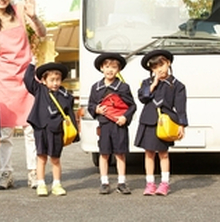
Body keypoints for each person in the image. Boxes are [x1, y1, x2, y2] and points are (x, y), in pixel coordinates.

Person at [0, 0, 47, 189]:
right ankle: (6, 174)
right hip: (4, 79)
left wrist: (34, 17)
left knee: (30, 129)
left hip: (27, 77)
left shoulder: (20, 10)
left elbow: (42, 34)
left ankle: (34, 173)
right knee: (5, 131)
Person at [134, 50, 187, 196]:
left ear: (168, 63)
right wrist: (154, 84)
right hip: (148, 120)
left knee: (163, 154)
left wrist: (181, 125)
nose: (159, 69)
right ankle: (150, 184)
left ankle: (164, 184)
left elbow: (181, 107)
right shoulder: (147, 83)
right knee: (149, 153)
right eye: (155, 67)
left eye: (161, 65)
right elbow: (143, 98)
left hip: (166, 123)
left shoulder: (177, 85)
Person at [24, 59, 77, 196]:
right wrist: (31, 65)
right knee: (41, 157)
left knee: (55, 159)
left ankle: (57, 184)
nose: (55, 83)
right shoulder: (39, 90)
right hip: (41, 129)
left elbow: (70, 114)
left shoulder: (65, 95)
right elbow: (28, 80)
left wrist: (75, 132)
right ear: (44, 80)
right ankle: (41, 184)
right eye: (52, 80)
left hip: (56, 130)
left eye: (58, 80)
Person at [88, 53, 136, 195]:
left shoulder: (123, 87)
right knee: (104, 153)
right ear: (102, 68)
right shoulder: (96, 87)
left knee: (120, 153)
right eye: (107, 66)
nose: (110, 70)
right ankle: (104, 182)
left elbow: (132, 106)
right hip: (104, 125)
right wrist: (95, 109)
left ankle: (121, 182)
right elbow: (91, 105)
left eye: (114, 67)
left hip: (119, 125)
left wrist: (125, 117)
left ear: (118, 70)